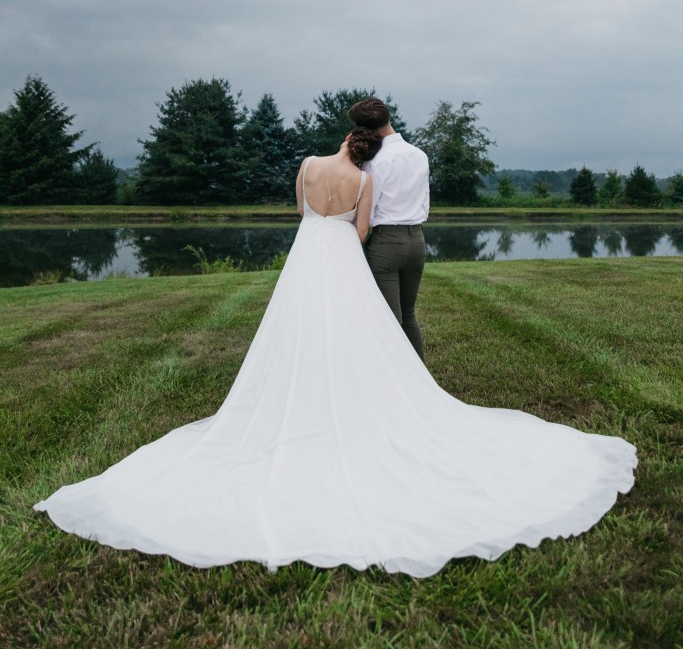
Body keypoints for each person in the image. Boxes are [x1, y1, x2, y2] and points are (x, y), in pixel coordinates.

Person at [34, 128, 636, 577]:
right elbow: (362, 231)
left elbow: (300, 210)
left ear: (341, 142)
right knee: (362, 326)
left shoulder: (307, 165)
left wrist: (317, 224)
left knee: (294, 328)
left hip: (305, 254)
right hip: (341, 253)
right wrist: (343, 226)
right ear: (365, 153)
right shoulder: (363, 180)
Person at [348, 98, 429, 359]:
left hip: (386, 243)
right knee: (408, 315)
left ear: (365, 128)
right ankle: (419, 376)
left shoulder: (376, 162)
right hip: (417, 240)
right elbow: (424, 202)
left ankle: (394, 378)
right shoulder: (419, 155)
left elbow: (367, 212)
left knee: (388, 319)